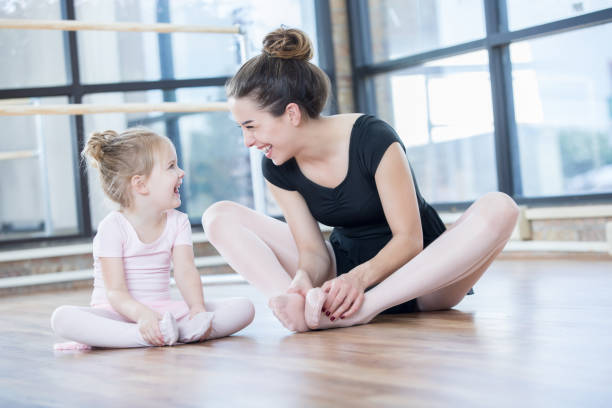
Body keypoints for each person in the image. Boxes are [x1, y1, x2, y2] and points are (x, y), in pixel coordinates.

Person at [202, 27, 519, 333]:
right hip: (342, 268)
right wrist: (301, 278)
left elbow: (409, 240)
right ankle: (294, 307)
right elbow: (312, 251)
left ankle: (365, 309)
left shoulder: (373, 138)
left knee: (501, 207)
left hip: (420, 277)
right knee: (218, 216)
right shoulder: (276, 166)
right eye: (241, 129)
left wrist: (358, 281)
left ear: (292, 114)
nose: (247, 141)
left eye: (251, 126)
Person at [51, 128, 254, 349]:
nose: (181, 172)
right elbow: (115, 292)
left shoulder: (179, 222)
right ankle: (142, 335)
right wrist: (143, 316)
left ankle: (174, 332)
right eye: (171, 166)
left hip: (164, 312)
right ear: (140, 184)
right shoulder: (112, 227)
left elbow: (185, 271)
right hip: (116, 313)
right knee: (62, 318)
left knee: (243, 308)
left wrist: (197, 309)